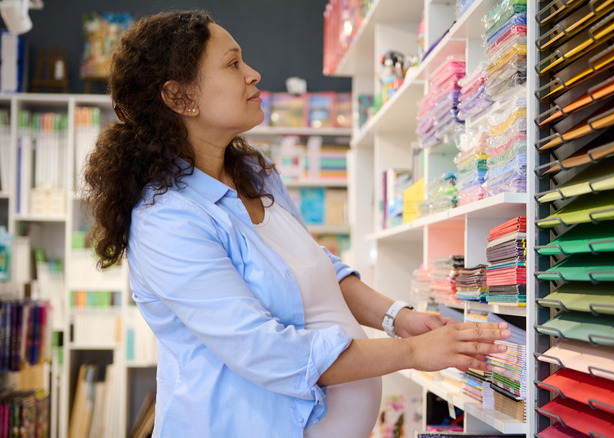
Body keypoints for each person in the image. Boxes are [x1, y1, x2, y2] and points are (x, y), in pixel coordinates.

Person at [83, 10, 509, 438]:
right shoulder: (167, 219)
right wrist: (413, 352)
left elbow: (316, 267)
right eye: (232, 64)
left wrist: (397, 318)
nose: (253, 74)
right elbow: (266, 353)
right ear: (178, 97)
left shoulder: (256, 173)